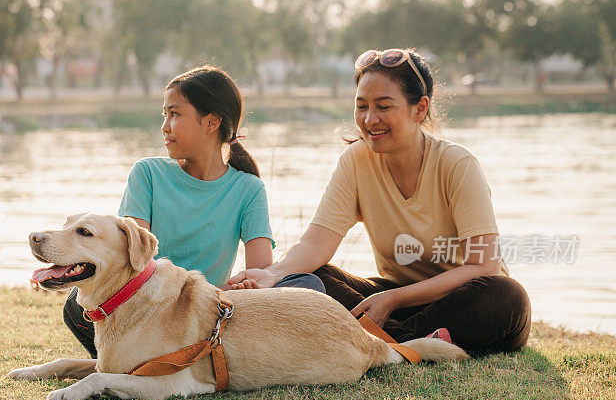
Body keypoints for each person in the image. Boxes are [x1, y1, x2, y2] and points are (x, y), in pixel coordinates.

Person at [227, 49, 530, 354]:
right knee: (313, 276)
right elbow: (315, 244)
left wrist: (394, 300)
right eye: (362, 106)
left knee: (507, 296)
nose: (370, 119)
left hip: (462, 299)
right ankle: (411, 344)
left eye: (384, 106)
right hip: (396, 300)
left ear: (420, 108)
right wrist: (273, 274)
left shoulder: (457, 164)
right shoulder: (356, 161)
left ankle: (384, 341)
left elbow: (485, 264)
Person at [63, 65, 324, 358]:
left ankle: (175, 358)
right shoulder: (148, 173)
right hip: (149, 307)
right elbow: (132, 259)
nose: (164, 126)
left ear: (211, 122)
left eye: (174, 114)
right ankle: (150, 359)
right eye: (165, 114)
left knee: (307, 286)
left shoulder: (248, 189)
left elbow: (262, 272)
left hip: (208, 312)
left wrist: (240, 286)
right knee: (77, 304)